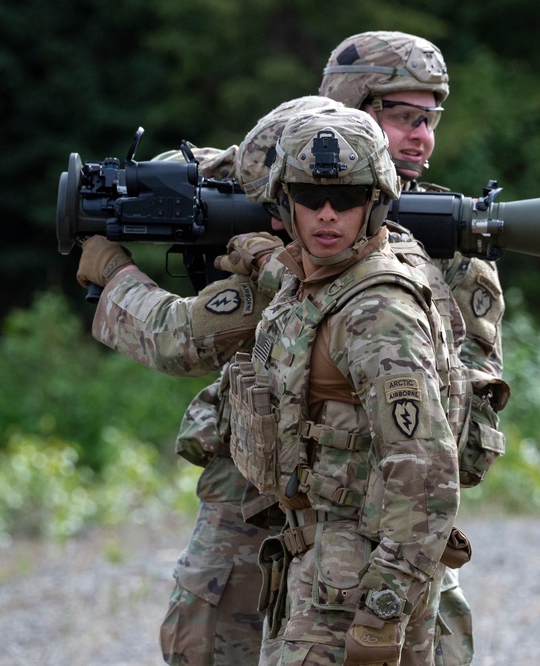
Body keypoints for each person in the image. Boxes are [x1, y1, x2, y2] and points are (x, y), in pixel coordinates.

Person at [77, 96, 342, 665]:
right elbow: (210, 165)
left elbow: (176, 336)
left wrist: (114, 271)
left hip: (267, 496)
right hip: (304, 493)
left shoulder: (292, 274)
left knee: (212, 636)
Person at [226, 104, 460, 665]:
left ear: (375, 204)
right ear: (284, 205)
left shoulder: (379, 312)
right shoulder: (318, 282)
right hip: (319, 564)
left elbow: (425, 469)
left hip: (357, 582)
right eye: (309, 197)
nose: (327, 215)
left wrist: (382, 611)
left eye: (348, 199)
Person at [318, 32, 510, 666]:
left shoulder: (453, 242)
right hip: (278, 502)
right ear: (348, 109)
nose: (420, 136)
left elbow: (466, 427)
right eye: (401, 117)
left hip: (397, 508)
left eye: (428, 119)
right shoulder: (284, 213)